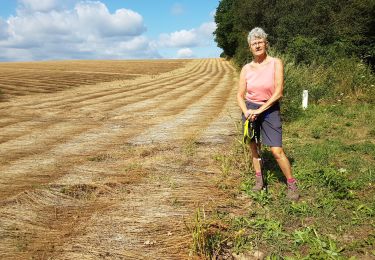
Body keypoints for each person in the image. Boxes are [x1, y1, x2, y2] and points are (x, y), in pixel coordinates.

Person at [237, 27, 299, 201]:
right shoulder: (246, 69)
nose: (257, 45)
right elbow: (239, 95)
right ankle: (259, 181)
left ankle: (291, 184)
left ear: (266, 43)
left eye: (260, 42)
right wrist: (247, 112)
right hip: (250, 110)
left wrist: (259, 110)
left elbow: (278, 92)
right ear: (250, 47)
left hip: (269, 109)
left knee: (276, 150)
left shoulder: (275, 63)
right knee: (254, 148)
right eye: (253, 43)